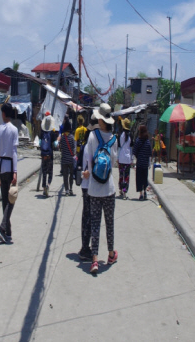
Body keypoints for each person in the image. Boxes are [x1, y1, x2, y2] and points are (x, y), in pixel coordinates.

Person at [83, 103, 118, 274]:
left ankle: (95, 260)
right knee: (109, 222)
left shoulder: (92, 136)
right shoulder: (114, 139)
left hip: (94, 189)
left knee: (95, 224)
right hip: (109, 188)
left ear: (100, 119)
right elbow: (113, 163)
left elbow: (89, 163)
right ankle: (111, 254)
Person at [0, 103, 19, 244]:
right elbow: (14, 152)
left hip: (1, 166)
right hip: (10, 166)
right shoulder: (14, 129)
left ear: (3, 114)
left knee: (5, 199)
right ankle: (3, 226)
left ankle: (7, 231)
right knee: (12, 199)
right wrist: (15, 171)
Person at [77, 117, 98, 261]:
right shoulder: (92, 143)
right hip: (90, 184)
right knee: (89, 217)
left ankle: (85, 247)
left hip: (86, 185)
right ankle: (86, 248)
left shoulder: (86, 143)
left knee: (86, 216)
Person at [39, 113, 58, 197]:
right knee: (50, 172)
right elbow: (55, 144)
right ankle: (48, 185)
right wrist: (57, 141)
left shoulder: (42, 132)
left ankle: (43, 189)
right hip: (50, 155)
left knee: (44, 171)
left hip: (43, 155)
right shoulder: (52, 133)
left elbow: (39, 143)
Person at [133, 125, 152, 200]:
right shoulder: (147, 141)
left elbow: (135, 151)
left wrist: (135, 161)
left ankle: (141, 194)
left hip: (140, 163)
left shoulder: (138, 140)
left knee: (139, 179)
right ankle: (145, 192)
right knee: (145, 178)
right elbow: (149, 153)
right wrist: (149, 163)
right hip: (145, 164)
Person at [59, 119, 76, 196]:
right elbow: (74, 148)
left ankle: (66, 190)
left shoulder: (62, 137)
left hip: (64, 159)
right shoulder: (72, 137)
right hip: (71, 160)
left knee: (65, 175)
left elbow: (60, 147)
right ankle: (71, 189)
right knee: (71, 175)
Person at [118, 118, 133, 200]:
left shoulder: (120, 134)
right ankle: (124, 192)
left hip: (121, 158)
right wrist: (132, 159)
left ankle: (120, 190)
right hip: (127, 159)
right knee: (126, 176)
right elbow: (131, 148)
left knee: (121, 175)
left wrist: (117, 157)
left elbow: (119, 147)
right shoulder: (130, 135)